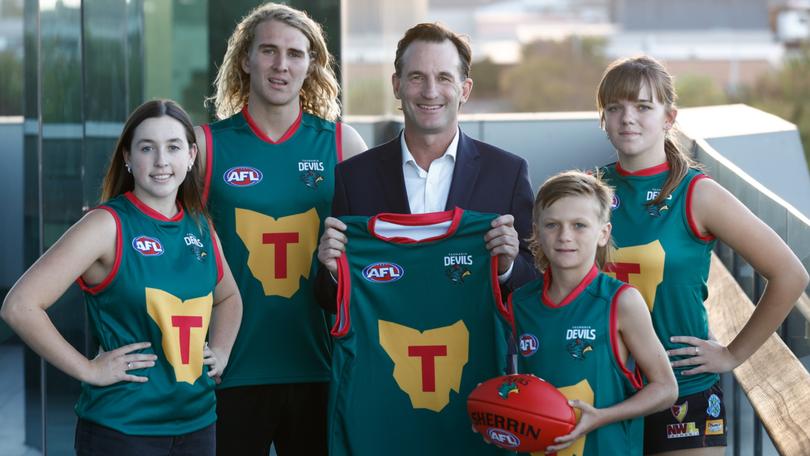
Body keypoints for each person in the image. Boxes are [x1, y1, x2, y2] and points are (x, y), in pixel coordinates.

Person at [0, 99, 242, 456]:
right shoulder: (106, 225)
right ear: (128, 157)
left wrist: (220, 351)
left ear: (191, 156)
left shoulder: (200, 225)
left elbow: (229, 297)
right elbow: (19, 306)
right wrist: (88, 369)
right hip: (123, 431)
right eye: (147, 148)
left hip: (198, 425)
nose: (161, 161)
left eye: (173, 147)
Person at [597, 56, 809, 455]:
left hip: (684, 392)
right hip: (604, 386)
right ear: (603, 120)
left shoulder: (698, 193)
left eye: (643, 107)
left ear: (669, 118)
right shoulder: (589, 191)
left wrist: (732, 354)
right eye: (615, 108)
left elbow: (789, 274)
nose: (628, 118)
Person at [193, 3, 367, 455]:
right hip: (229, 369)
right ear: (245, 59)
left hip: (321, 368)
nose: (281, 64)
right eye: (268, 50)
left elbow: (376, 256)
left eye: (295, 53)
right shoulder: (204, 147)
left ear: (311, 65)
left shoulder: (342, 143)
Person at [315, 22, 536, 310]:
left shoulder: (507, 174)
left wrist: (508, 266)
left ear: (465, 89)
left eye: (444, 77)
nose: (430, 92)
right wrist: (333, 273)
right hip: (390, 354)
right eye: (417, 77)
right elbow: (329, 302)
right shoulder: (354, 177)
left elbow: (537, 290)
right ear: (397, 85)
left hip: (476, 354)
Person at [505, 170, 677, 455]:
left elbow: (666, 389)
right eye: (552, 225)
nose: (564, 236)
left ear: (603, 233)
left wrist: (602, 416)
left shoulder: (621, 301)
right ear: (536, 231)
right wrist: (496, 418)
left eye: (579, 225)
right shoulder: (520, 303)